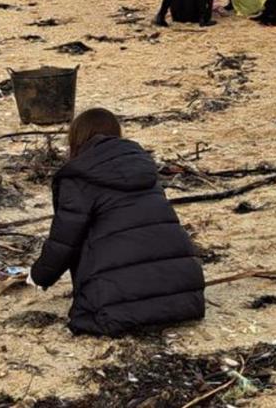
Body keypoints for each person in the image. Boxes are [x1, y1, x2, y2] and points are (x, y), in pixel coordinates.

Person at [24, 108, 205, 336]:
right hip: (184, 296)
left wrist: (39, 276)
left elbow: (64, 241)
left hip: (115, 309)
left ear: (77, 139)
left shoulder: (79, 176)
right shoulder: (143, 168)